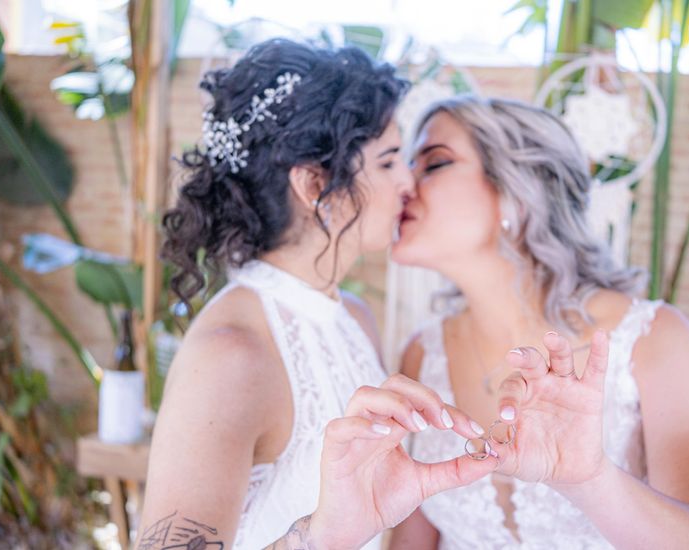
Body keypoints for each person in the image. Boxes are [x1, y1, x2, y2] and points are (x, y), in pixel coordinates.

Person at [135, 40, 499, 550]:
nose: (408, 185)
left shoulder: (354, 317)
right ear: (313, 183)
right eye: (390, 161)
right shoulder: (232, 352)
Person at [388, 96, 689, 549]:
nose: (402, 183)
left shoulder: (653, 340)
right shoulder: (423, 354)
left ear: (516, 190)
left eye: (433, 163)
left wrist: (591, 479)